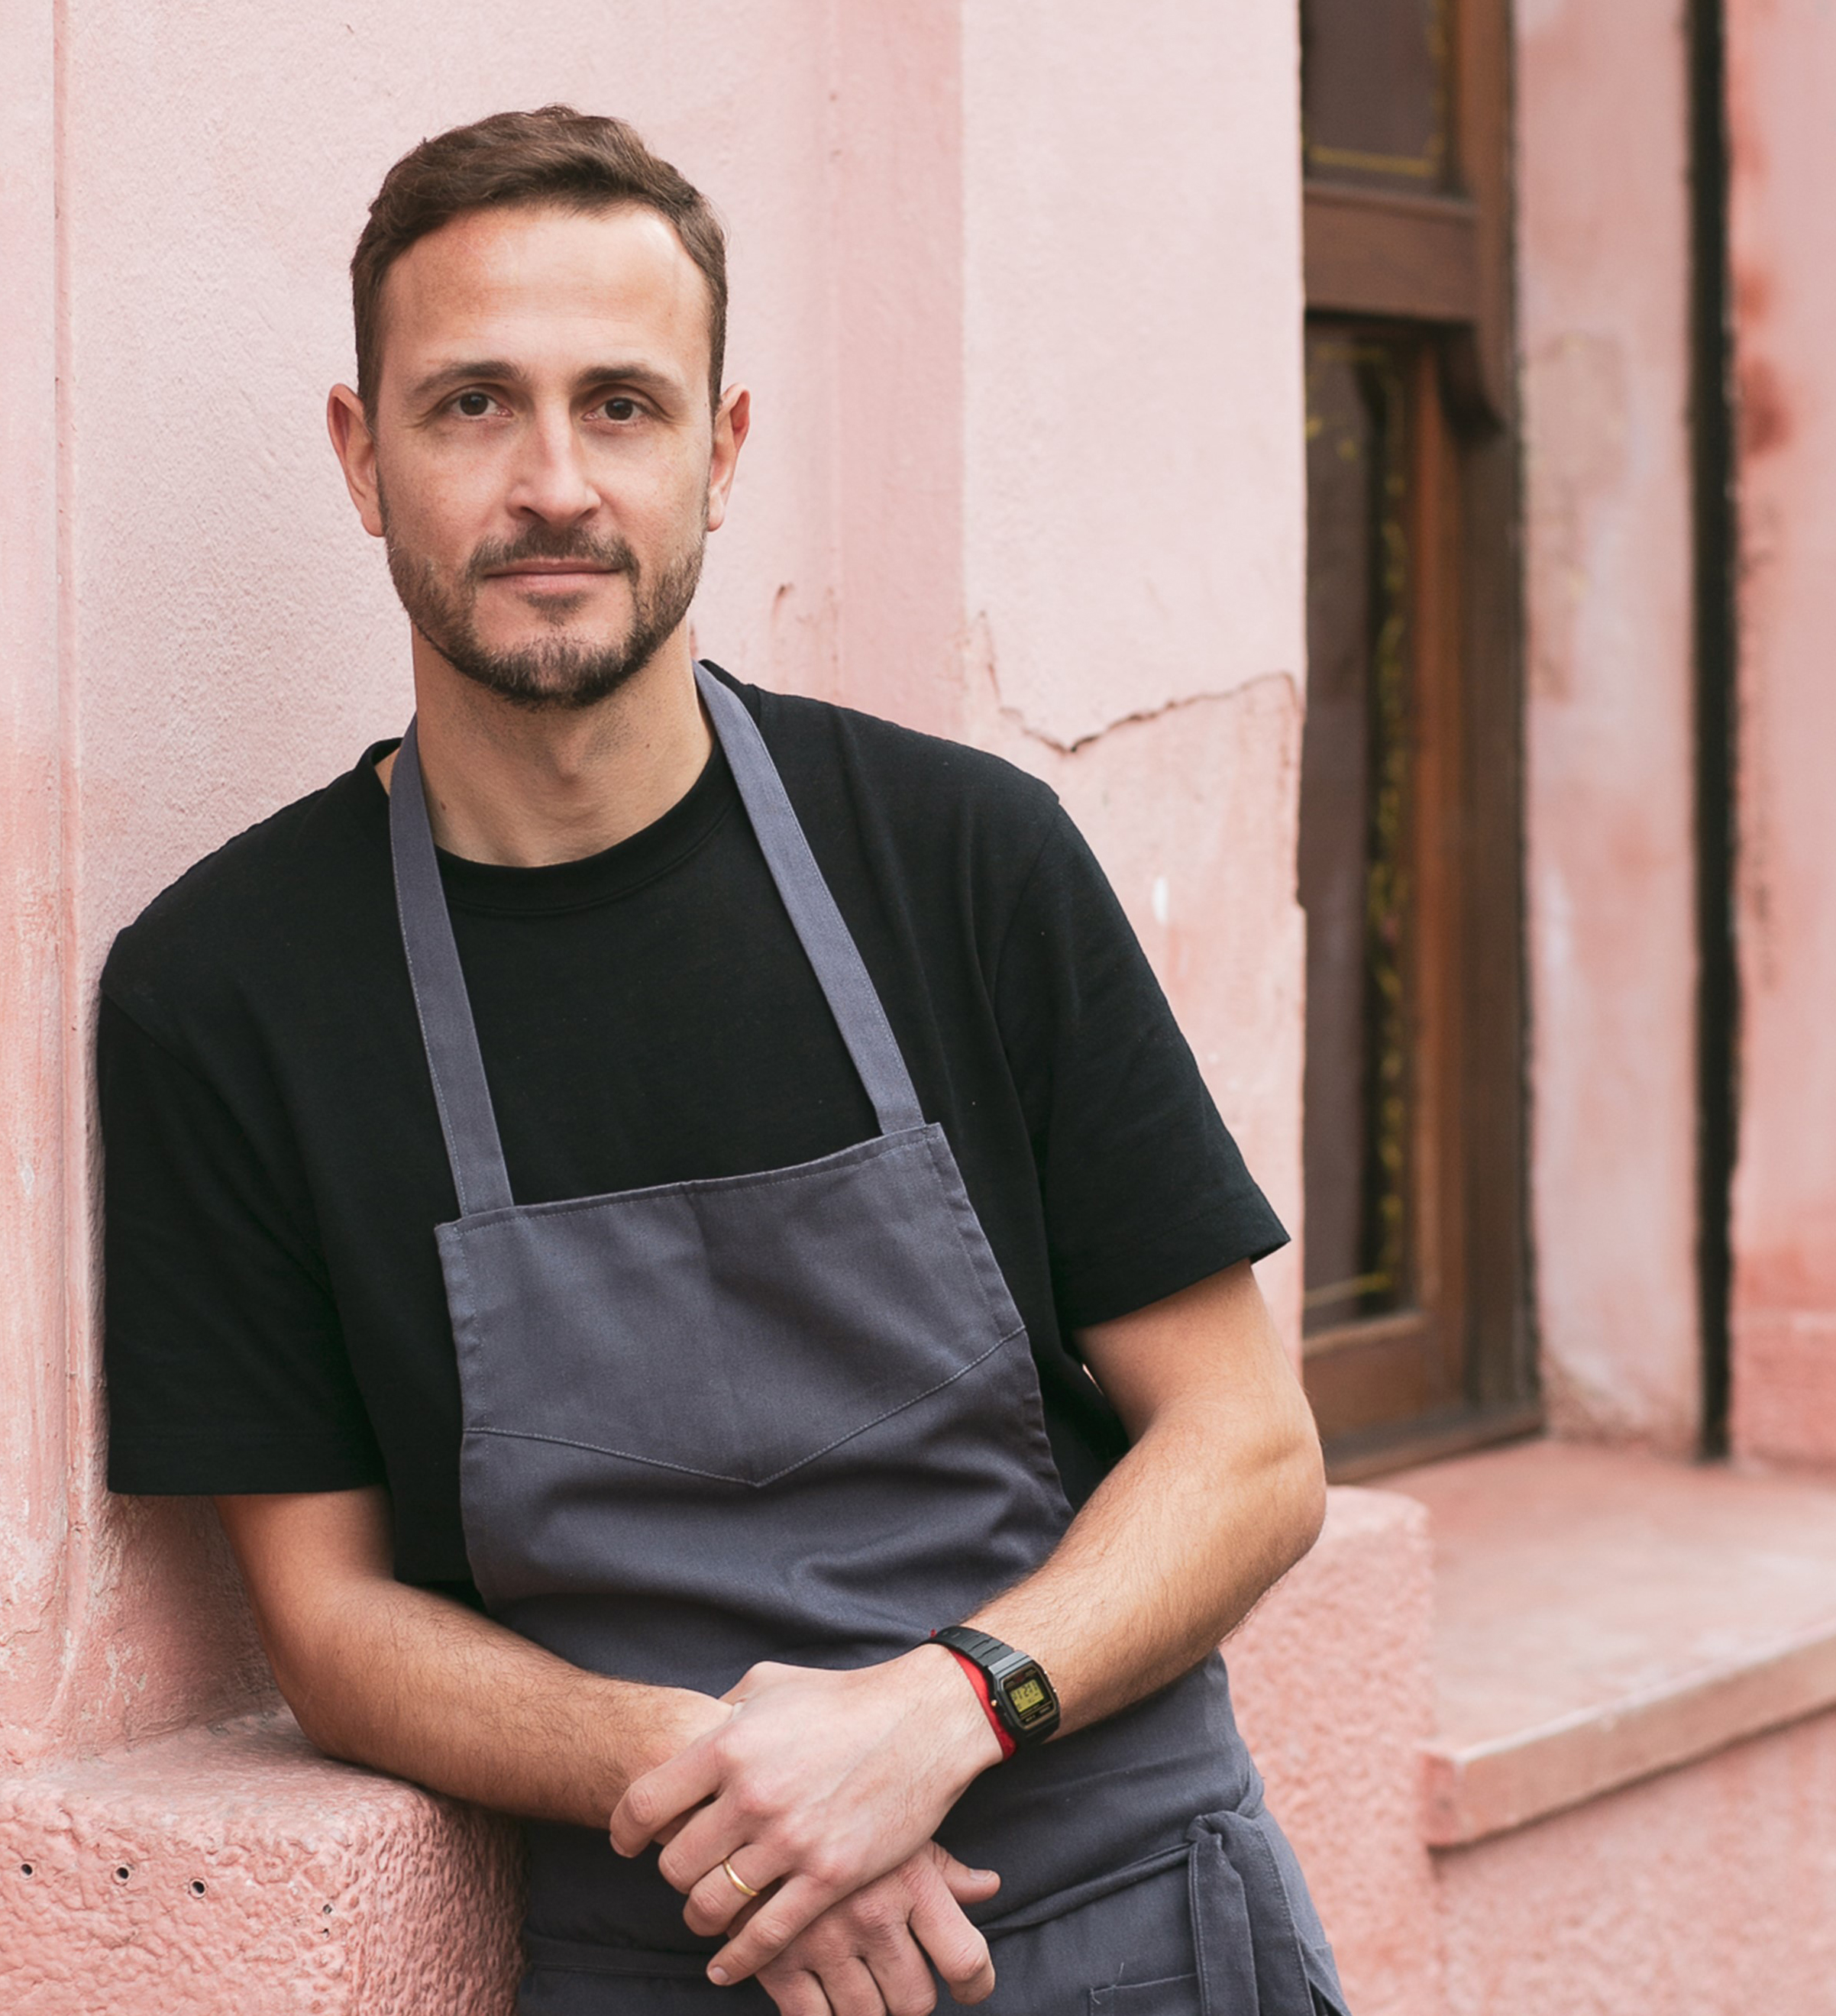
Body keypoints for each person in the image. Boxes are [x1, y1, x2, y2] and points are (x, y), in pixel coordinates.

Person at [99, 105, 1349, 2016]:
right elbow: (328, 1625)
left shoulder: (961, 858)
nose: (551, 485)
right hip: (678, 1941)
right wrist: (735, 1789)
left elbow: (1246, 1448)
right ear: (359, 455)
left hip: (1126, 1911)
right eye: (469, 406)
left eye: (619, 406)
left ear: (719, 449)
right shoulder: (227, 991)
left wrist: (938, 1712)